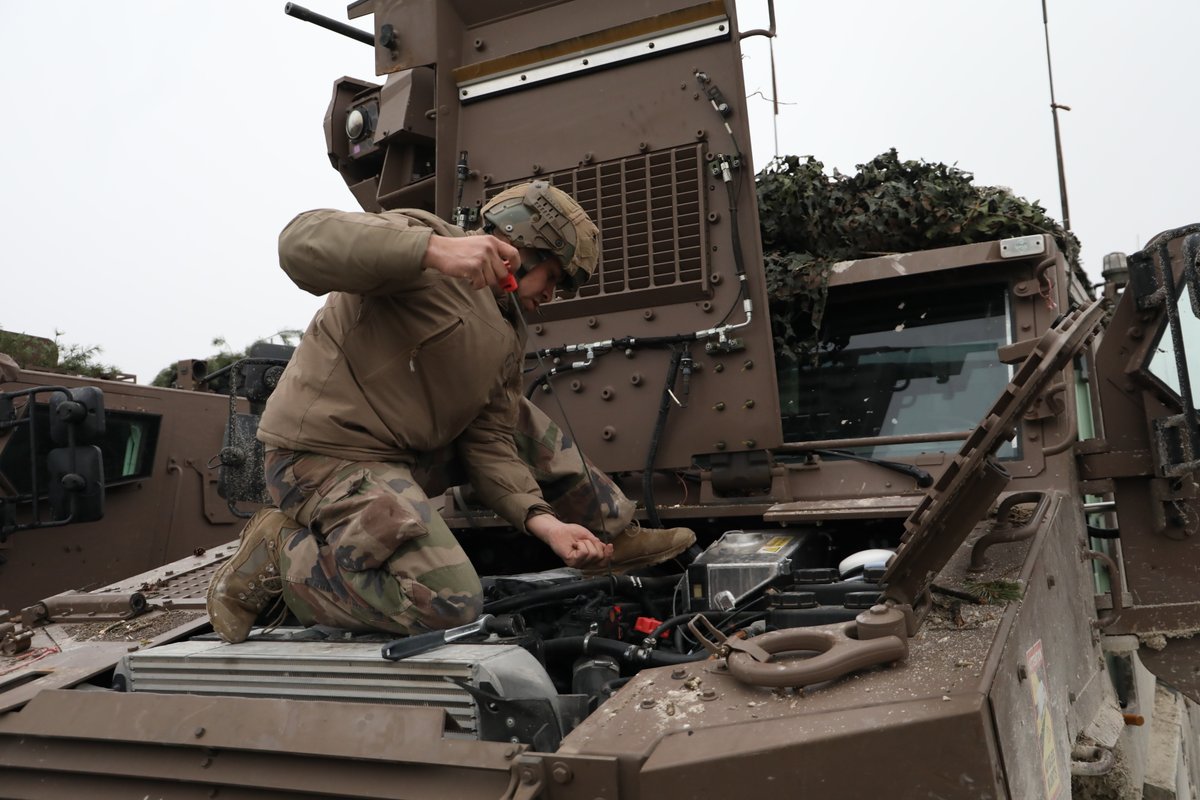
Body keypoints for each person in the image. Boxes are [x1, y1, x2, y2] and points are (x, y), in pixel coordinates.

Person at [206, 181, 695, 643]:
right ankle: (281, 557)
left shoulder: (506, 333)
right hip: (317, 457)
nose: (552, 296)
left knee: (517, 416)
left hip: (396, 459)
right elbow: (300, 243)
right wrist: (432, 250)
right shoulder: (427, 240)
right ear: (524, 246)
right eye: (555, 278)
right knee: (450, 602)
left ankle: (610, 532)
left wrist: (548, 525)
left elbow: (489, 445)